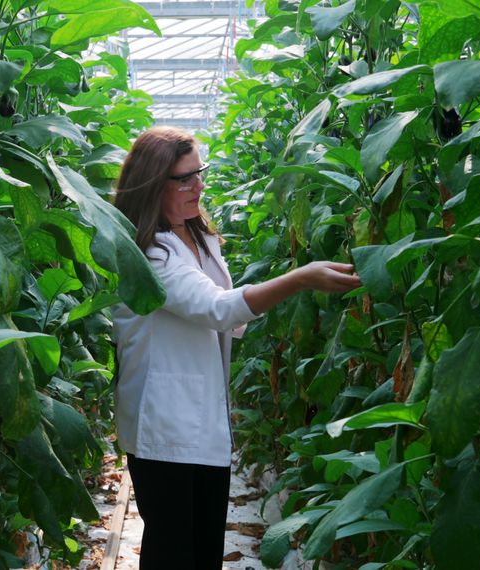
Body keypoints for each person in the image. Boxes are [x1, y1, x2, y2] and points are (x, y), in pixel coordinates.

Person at [111, 126, 362, 568]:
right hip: (163, 426)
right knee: (173, 551)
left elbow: (222, 312)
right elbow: (218, 308)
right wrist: (300, 277)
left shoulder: (195, 236)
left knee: (203, 544)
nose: (199, 186)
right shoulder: (150, 256)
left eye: (199, 173)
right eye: (184, 179)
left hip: (200, 418)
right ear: (153, 185)